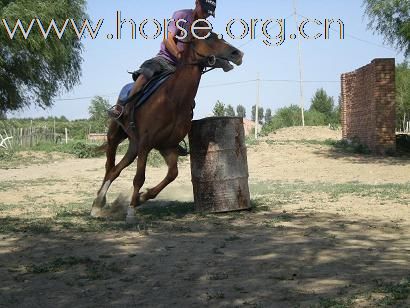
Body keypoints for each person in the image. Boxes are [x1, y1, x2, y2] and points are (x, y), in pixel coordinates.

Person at [108, 0, 217, 119]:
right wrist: (178, 55)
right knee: (146, 73)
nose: (206, 14)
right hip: (165, 59)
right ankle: (124, 107)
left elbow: (206, 49)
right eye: (204, 10)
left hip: (183, 68)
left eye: (209, 13)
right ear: (197, 3)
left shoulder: (205, 26)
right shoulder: (181, 15)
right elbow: (167, 39)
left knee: (189, 95)